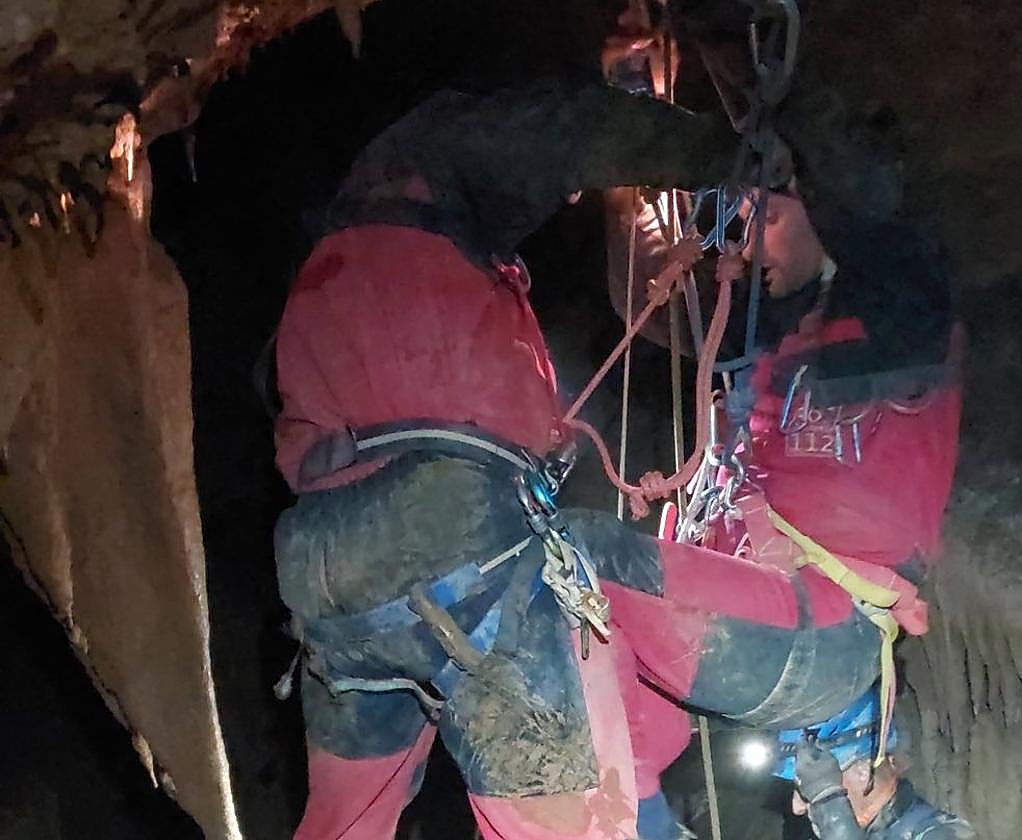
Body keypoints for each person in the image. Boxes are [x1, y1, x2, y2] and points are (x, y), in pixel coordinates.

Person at [270, 81, 913, 840]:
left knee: (343, 826)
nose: (569, 196)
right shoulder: (424, 165)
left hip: (324, 574)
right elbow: (570, 126)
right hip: (449, 542)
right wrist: (727, 152)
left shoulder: (342, 276)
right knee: (570, 814)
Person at [605, 163, 974, 837]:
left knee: (581, 566)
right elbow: (666, 311)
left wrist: (780, 121)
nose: (749, 246)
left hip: (816, 626)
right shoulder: (778, 339)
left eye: (767, 220)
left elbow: (870, 216)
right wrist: (634, 193)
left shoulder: (896, 318)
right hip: (762, 621)